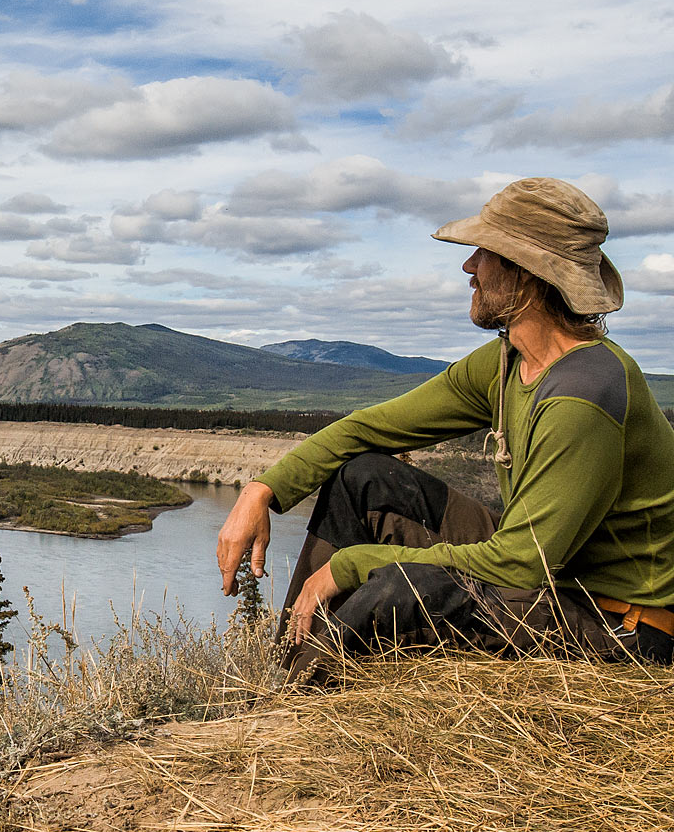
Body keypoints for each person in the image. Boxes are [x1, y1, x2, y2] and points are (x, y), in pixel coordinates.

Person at [215, 176, 674, 673]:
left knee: (401, 590)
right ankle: (289, 671)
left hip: (619, 623)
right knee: (364, 479)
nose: (469, 266)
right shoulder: (507, 361)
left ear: (526, 273)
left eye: (485, 252)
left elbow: (522, 564)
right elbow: (368, 428)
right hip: (551, 573)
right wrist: (260, 491)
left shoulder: (583, 392)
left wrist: (348, 566)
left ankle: (298, 715)